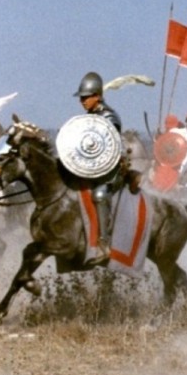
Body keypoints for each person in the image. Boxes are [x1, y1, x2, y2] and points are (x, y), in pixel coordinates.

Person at [74, 72, 123, 267]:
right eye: (81, 98)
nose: (82, 101)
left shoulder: (109, 117)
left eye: (86, 97)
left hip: (110, 170)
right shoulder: (89, 117)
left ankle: (104, 243)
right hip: (90, 168)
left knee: (100, 194)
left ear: (98, 96)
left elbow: (107, 147)